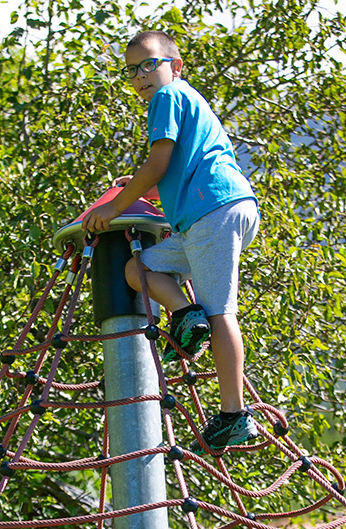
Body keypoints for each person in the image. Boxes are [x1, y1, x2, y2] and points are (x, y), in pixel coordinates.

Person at [81, 30, 260, 453]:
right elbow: (178, 169)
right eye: (131, 71)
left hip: (212, 211)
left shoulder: (168, 97)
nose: (141, 76)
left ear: (174, 66)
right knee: (138, 270)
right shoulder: (187, 100)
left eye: (149, 64)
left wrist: (114, 206)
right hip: (210, 212)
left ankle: (235, 415)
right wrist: (144, 192)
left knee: (221, 311)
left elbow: (158, 163)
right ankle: (185, 314)